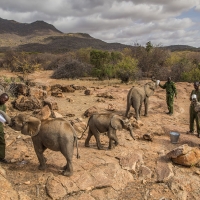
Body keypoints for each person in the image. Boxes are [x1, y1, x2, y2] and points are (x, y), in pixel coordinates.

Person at [0, 93, 9, 163]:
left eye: (5, 100)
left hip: (0, 125)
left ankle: (1, 157)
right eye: (3, 99)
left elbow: (3, 116)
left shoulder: (4, 106)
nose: (4, 101)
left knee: (2, 141)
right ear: (1, 97)